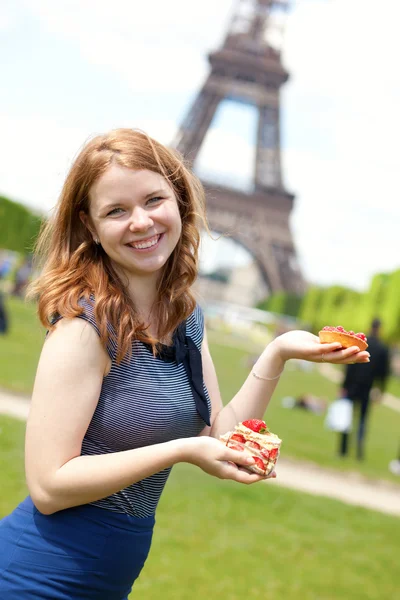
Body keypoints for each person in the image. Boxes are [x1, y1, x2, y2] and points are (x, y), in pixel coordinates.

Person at [0, 128, 370, 599]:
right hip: (36, 577)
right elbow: (49, 486)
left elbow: (220, 434)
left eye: (153, 199)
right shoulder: (83, 328)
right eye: (116, 210)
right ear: (90, 226)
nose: (141, 221)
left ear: (178, 200)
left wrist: (277, 352)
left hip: (104, 581)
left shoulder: (186, 317)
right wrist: (180, 450)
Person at [338, 318, 390, 461]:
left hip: (352, 385)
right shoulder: (382, 348)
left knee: (347, 417)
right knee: (362, 420)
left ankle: (343, 449)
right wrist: (380, 389)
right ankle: (359, 451)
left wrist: (344, 386)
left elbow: (349, 365)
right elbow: (384, 373)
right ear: (380, 329)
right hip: (367, 387)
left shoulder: (359, 344)